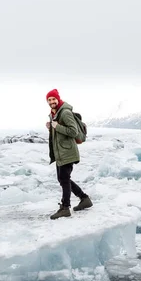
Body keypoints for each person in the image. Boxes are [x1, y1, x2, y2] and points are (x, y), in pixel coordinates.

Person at [46, 89, 93, 219]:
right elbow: (59, 132)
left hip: (67, 152)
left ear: (58, 99)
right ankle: (84, 198)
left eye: (53, 99)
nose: (51, 102)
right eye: (49, 100)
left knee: (64, 179)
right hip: (60, 152)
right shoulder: (54, 114)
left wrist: (57, 127)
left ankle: (65, 207)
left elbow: (73, 132)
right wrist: (51, 127)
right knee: (62, 179)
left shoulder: (65, 112)